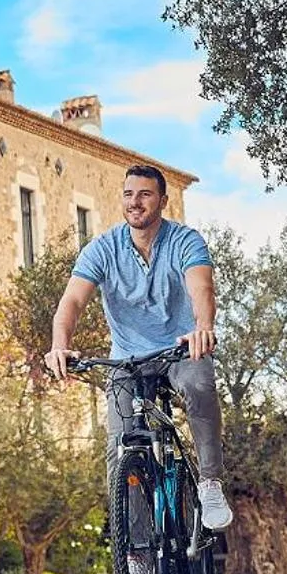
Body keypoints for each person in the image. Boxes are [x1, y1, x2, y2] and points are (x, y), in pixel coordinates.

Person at [43, 164, 234, 532]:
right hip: (128, 357)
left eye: (145, 194)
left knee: (199, 387)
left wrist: (202, 329)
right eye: (129, 194)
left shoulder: (185, 241)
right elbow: (71, 303)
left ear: (162, 201)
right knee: (120, 444)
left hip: (181, 349)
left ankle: (210, 483)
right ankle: (135, 552)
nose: (135, 202)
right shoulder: (102, 249)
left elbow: (202, 289)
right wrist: (59, 346)